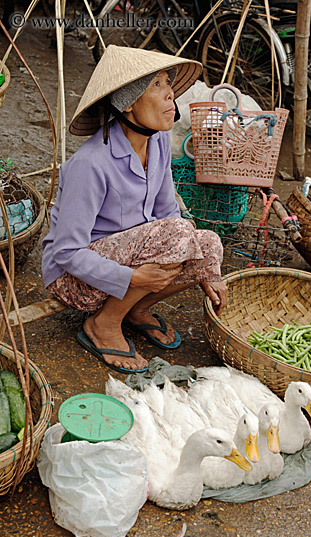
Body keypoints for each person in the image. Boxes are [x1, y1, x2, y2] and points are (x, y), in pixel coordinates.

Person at [42, 45, 228, 375]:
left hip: (129, 257)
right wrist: (133, 276)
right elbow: (67, 252)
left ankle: (135, 308)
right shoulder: (91, 164)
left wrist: (204, 268)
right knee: (180, 233)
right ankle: (103, 324)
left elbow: (168, 211)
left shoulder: (156, 142)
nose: (170, 93)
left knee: (209, 246)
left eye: (168, 82)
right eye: (156, 85)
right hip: (73, 279)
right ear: (128, 104)